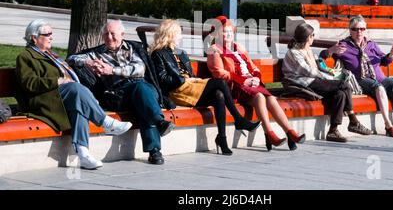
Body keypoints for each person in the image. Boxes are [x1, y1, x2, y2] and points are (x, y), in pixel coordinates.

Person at [16, 19, 132, 170]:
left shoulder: (51, 55)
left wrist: (87, 98)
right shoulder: (26, 57)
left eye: (52, 33)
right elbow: (28, 83)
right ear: (34, 37)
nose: (51, 37)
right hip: (42, 99)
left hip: (59, 97)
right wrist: (56, 81)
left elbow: (70, 78)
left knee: (80, 106)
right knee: (76, 90)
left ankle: (83, 155)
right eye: (47, 34)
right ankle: (106, 122)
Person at [68, 20, 174, 165]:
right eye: (106, 34)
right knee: (144, 101)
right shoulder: (97, 53)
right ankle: (156, 141)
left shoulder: (133, 48)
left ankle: (155, 143)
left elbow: (140, 69)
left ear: (122, 34)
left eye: (113, 34)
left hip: (142, 88)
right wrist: (89, 62)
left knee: (142, 93)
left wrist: (112, 70)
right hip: (118, 94)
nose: (109, 37)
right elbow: (72, 58)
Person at [150, 19, 261, 156]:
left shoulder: (181, 52)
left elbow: (190, 73)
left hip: (191, 88)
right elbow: (162, 79)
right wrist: (184, 79)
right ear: (170, 34)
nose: (181, 36)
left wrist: (192, 79)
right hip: (178, 91)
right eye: (179, 33)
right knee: (219, 82)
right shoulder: (158, 54)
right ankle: (239, 120)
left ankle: (222, 138)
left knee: (218, 95)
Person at [207, 16, 306, 150]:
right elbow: (219, 73)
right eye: (225, 31)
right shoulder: (214, 49)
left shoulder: (239, 47)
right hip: (235, 86)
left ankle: (290, 132)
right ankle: (269, 133)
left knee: (270, 98)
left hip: (252, 84)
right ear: (218, 34)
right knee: (260, 97)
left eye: (231, 31)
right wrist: (244, 80)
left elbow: (253, 66)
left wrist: (256, 77)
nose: (229, 34)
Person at [320, 15, 393, 137]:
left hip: (379, 78)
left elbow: (384, 62)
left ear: (365, 30)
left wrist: (390, 55)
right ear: (350, 30)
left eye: (362, 29)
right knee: (379, 89)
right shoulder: (344, 45)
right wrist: (332, 50)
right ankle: (388, 125)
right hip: (361, 80)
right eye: (355, 29)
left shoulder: (371, 44)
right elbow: (322, 56)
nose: (359, 32)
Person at [282, 22, 372, 142]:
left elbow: (318, 67)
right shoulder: (294, 52)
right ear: (308, 37)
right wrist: (330, 78)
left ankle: (333, 131)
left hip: (313, 81)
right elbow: (308, 72)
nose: (314, 37)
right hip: (302, 83)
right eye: (313, 35)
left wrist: (330, 73)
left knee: (339, 94)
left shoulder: (308, 50)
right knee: (343, 85)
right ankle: (353, 120)